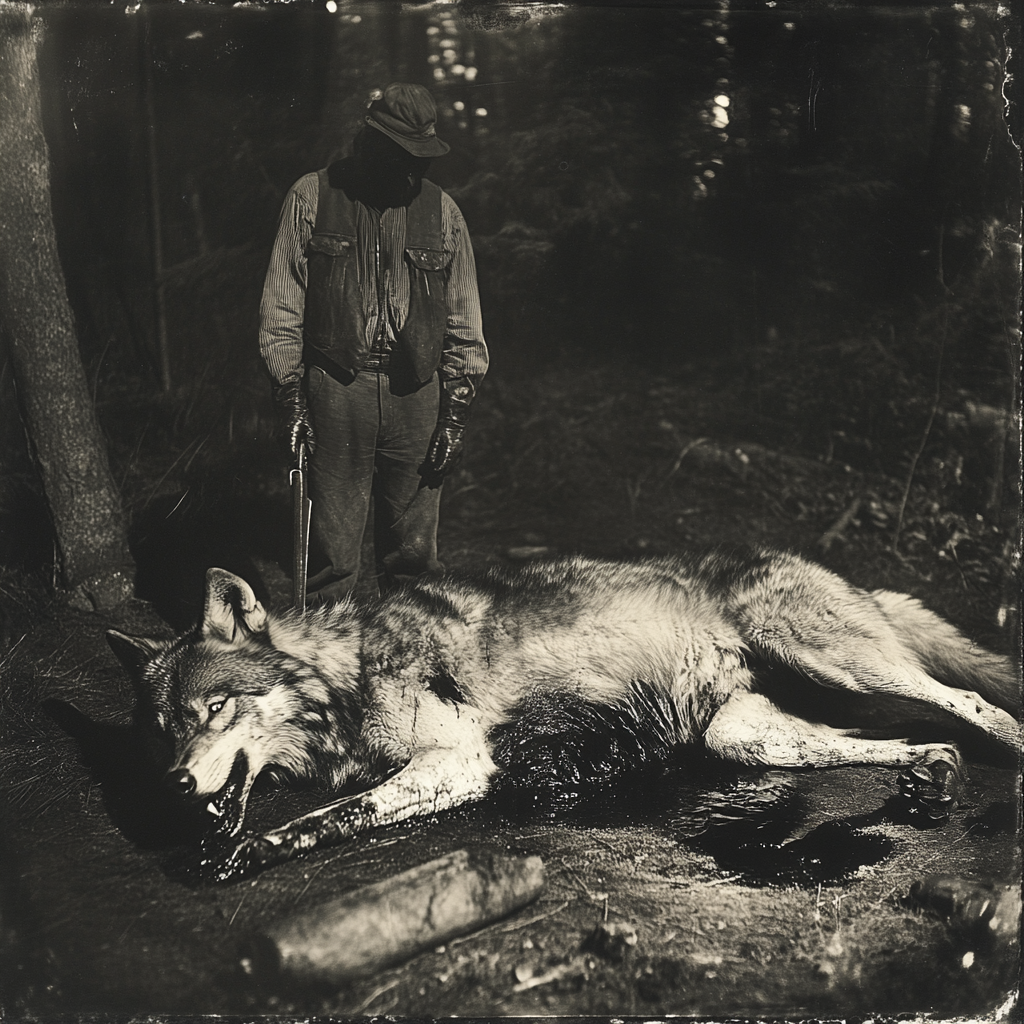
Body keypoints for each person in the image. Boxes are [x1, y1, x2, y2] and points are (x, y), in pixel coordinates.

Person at [259, 83, 487, 603]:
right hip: (337, 390)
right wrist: (290, 396)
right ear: (372, 142)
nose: (413, 172)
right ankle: (324, 670)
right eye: (402, 157)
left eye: (422, 160)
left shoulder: (443, 212)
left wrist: (454, 415)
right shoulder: (312, 196)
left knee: (414, 560)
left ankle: (413, 670)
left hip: (417, 394)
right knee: (332, 561)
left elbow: (464, 323)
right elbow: (281, 308)